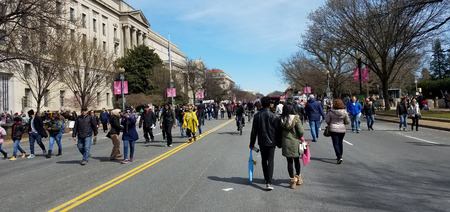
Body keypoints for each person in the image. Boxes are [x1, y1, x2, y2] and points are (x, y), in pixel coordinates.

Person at [249, 96, 278, 190]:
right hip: (272, 141)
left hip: (262, 141)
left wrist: (252, 144)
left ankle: (266, 178)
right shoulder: (273, 116)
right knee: (271, 160)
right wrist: (278, 142)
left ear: (261, 103)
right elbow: (277, 131)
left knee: (264, 160)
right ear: (270, 104)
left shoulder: (257, 115)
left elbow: (254, 131)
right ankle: (269, 181)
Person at [279, 103, 304, 189]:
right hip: (295, 142)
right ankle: (298, 178)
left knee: (289, 162)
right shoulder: (296, 118)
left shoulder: (281, 119)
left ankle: (292, 181)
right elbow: (301, 131)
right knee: (296, 160)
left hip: (286, 142)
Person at [325, 99, 350, 164]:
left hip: (333, 128)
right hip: (342, 129)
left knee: (335, 143)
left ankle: (339, 156)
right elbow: (347, 122)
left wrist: (331, 122)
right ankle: (340, 154)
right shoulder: (344, 112)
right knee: (340, 142)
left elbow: (327, 120)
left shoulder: (330, 112)